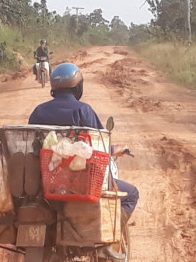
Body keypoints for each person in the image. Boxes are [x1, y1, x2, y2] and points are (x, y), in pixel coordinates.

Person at [28, 62, 139, 218]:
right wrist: (114, 150)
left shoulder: (38, 111)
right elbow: (99, 145)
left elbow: (33, 146)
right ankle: (113, 234)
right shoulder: (83, 110)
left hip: (45, 183)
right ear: (77, 87)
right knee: (132, 194)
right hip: (80, 182)